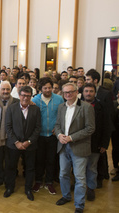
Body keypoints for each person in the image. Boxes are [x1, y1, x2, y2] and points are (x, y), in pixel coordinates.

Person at [54, 83, 95, 213]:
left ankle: (79, 205)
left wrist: (71, 137)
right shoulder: (61, 107)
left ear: (77, 92)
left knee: (80, 178)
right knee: (63, 174)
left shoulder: (86, 107)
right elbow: (58, 125)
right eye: (65, 92)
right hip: (63, 146)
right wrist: (59, 135)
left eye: (70, 92)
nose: (68, 95)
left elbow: (90, 128)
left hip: (79, 147)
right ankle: (66, 196)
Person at [4, 86, 41, 201]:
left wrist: (29, 141)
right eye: (23, 95)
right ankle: (10, 187)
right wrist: (16, 142)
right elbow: (8, 127)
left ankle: (28, 189)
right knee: (11, 167)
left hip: (30, 145)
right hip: (14, 145)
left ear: (31, 97)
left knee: (30, 168)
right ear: (19, 96)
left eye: (28, 96)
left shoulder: (36, 109)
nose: (25, 98)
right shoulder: (11, 108)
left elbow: (37, 128)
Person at [32, 77, 64, 194]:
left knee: (51, 159)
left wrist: (59, 129)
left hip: (53, 135)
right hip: (39, 135)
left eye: (49, 87)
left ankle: (49, 182)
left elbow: (62, 116)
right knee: (39, 159)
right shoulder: (35, 100)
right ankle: (39, 180)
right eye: (45, 88)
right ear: (40, 89)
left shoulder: (59, 99)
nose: (48, 90)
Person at [81, 83, 111, 201]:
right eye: (86, 91)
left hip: (96, 142)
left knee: (92, 167)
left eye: (91, 91)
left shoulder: (101, 106)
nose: (88, 93)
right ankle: (81, 187)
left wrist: (104, 144)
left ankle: (91, 188)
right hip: (80, 143)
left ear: (95, 92)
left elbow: (107, 126)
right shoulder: (78, 105)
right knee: (79, 167)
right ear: (83, 93)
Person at [0, 81, 19, 189]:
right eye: (3, 89)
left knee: (10, 159)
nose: (5, 91)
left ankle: (9, 179)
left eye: (7, 89)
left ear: (11, 90)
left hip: (12, 136)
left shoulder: (17, 102)